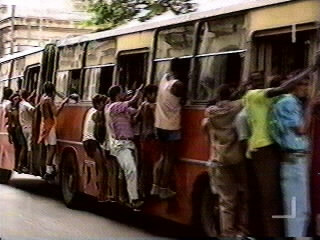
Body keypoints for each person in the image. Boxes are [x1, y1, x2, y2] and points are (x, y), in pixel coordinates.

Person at [243, 56, 319, 236]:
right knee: (271, 198)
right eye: (256, 80)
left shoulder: (276, 99)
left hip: (274, 148)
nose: (261, 82)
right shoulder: (254, 95)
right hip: (262, 148)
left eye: (263, 78)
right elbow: (284, 89)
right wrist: (312, 68)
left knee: (283, 199)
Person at [202, 85, 248, 237]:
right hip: (237, 158)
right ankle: (242, 230)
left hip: (219, 159)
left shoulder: (211, 113)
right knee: (244, 194)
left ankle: (228, 234)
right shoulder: (237, 107)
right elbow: (244, 100)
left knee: (226, 200)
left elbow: (207, 116)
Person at [270, 78, 312, 237]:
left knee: (301, 210)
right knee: (296, 210)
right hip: (292, 161)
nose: (307, 88)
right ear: (295, 86)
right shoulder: (288, 102)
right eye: (305, 84)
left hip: (296, 160)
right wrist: (310, 105)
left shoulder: (291, 102)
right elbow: (301, 129)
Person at [105, 85, 144, 209]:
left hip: (129, 144)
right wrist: (137, 94)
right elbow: (131, 103)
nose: (124, 94)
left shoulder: (122, 109)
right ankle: (134, 199)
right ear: (117, 95)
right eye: (122, 92)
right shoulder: (113, 106)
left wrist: (142, 105)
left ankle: (129, 196)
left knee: (130, 171)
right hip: (120, 145)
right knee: (131, 170)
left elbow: (136, 113)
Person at [152, 58, 186, 199]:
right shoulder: (178, 85)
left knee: (162, 157)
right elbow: (183, 98)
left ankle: (155, 186)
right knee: (169, 158)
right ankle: (164, 188)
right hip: (171, 125)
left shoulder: (163, 81)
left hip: (159, 124)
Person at [38, 82, 69, 180]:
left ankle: (49, 168)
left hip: (44, 124)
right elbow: (55, 112)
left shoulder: (42, 98)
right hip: (50, 124)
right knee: (52, 147)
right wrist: (63, 103)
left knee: (49, 148)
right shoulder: (49, 100)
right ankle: (49, 170)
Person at [135, 85, 158, 196]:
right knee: (153, 165)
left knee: (144, 166)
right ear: (149, 94)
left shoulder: (142, 106)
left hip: (143, 138)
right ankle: (150, 188)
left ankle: (141, 190)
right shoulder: (152, 106)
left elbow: (135, 119)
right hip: (152, 138)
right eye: (154, 94)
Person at [82, 94, 107, 201]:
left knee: (98, 167)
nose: (105, 105)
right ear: (98, 104)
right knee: (102, 168)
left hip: (86, 140)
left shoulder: (90, 110)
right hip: (93, 141)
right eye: (103, 103)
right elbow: (98, 133)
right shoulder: (98, 113)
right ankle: (101, 194)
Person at [6, 93, 26, 171]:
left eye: (18, 99)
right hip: (17, 129)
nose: (17, 100)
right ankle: (19, 165)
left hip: (16, 129)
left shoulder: (13, 109)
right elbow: (10, 123)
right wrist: (10, 135)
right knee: (22, 146)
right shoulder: (14, 110)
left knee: (17, 148)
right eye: (15, 99)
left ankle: (16, 165)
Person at [18, 90, 35, 172]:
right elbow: (33, 110)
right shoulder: (26, 104)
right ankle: (29, 166)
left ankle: (20, 165)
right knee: (29, 148)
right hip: (29, 127)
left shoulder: (21, 104)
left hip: (23, 127)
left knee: (24, 147)